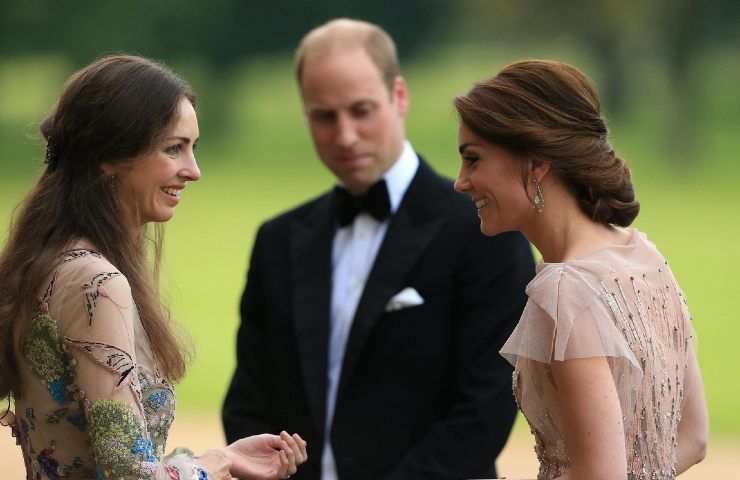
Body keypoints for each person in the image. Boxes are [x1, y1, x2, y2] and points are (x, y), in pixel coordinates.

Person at [221, 18, 535, 480]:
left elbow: (485, 407)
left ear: (399, 96)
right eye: (324, 116)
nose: (345, 135)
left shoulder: (484, 230)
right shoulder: (278, 240)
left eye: (361, 110)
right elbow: (249, 402)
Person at [0, 55, 307, 480]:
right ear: (110, 156)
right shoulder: (95, 282)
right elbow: (129, 475)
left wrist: (221, 456)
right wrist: (213, 465)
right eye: (173, 148)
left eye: (192, 148)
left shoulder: (50, 262)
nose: (193, 171)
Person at [453, 59, 709, 479]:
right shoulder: (644, 256)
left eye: (473, 159)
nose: (460, 182)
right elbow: (693, 438)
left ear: (537, 164)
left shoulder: (565, 288)